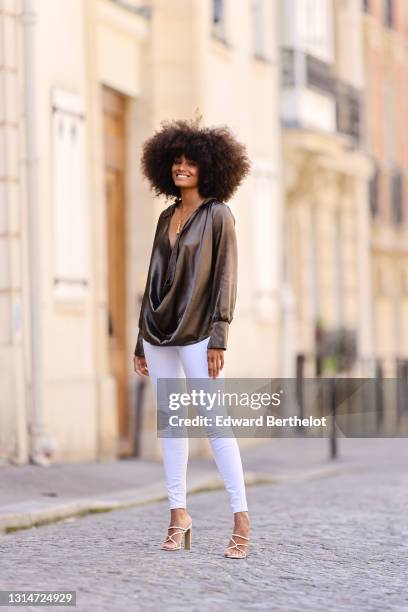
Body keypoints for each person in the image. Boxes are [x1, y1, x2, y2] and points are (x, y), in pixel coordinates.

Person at [133, 118, 251, 559]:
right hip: (159, 333)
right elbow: (153, 280)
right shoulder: (167, 216)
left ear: (209, 168)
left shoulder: (219, 215)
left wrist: (219, 336)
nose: (182, 168)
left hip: (200, 331)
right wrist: (139, 340)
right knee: (171, 424)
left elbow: (225, 278)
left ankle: (241, 519)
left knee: (215, 423)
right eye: (176, 162)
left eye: (190, 163)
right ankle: (178, 514)